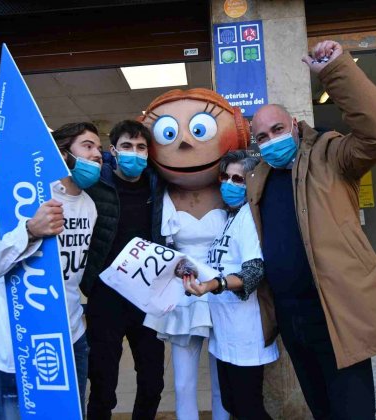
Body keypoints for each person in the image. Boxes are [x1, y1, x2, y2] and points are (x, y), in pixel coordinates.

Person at [248, 40, 376, 419]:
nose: (270, 140)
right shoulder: (259, 178)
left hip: (335, 313)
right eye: (261, 137)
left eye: (277, 128)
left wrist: (337, 72)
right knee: (321, 410)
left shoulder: (331, 154)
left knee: (352, 411)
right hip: (291, 318)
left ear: (293, 124)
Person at [0, 122, 103, 419]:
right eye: (88, 145)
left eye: (99, 147)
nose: (98, 154)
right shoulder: (19, 198)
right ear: (62, 153)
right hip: (16, 345)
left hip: (70, 339)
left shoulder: (90, 206)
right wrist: (29, 230)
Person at [139, 88, 250, 420]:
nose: (185, 142)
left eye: (199, 129)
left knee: (223, 378)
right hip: (183, 291)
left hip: (225, 289)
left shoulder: (234, 190)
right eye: (170, 133)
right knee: (184, 379)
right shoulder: (159, 193)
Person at [183, 150, 278, 420]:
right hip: (225, 332)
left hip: (246, 334)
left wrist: (213, 284)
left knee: (249, 408)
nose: (230, 184)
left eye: (239, 179)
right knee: (232, 404)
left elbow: (253, 272)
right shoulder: (230, 218)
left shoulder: (249, 216)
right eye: (225, 177)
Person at [81, 120, 165, 420]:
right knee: (103, 383)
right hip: (105, 298)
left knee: (153, 381)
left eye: (141, 147)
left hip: (147, 297)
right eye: (127, 146)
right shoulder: (95, 183)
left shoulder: (158, 182)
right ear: (113, 151)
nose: (134, 153)